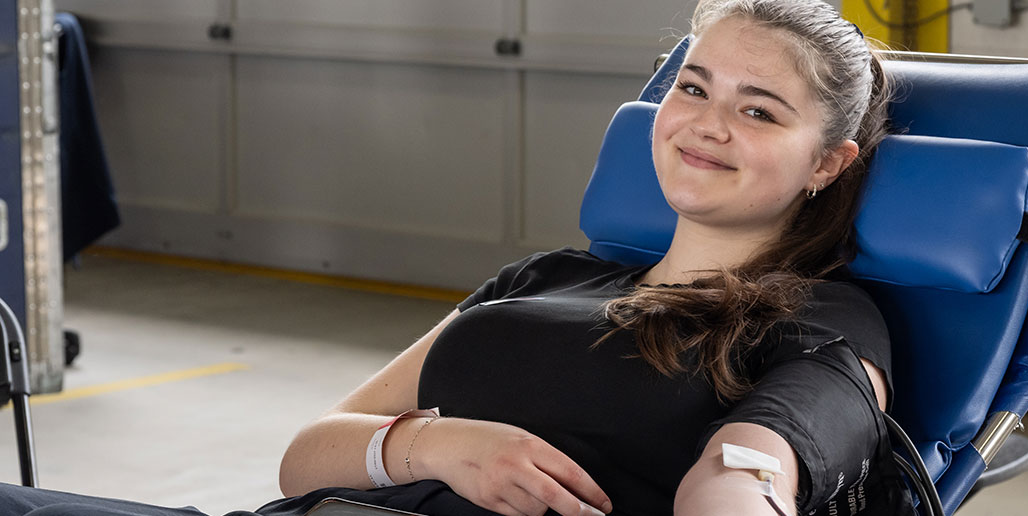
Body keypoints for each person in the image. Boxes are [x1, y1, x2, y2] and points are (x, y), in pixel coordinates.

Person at [0, 0, 912, 514]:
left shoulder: (826, 319)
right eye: (693, 87)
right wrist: (438, 444)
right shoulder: (545, 277)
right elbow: (309, 453)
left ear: (828, 163)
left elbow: (749, 474)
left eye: (759, 110)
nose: (707, 125)